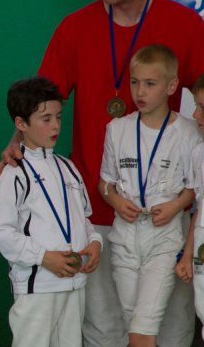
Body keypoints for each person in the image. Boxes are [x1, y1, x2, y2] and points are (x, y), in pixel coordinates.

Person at [0, 0, 204, 346]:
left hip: (166, 211)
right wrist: (15, 142)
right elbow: (42, 97)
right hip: (95, 206)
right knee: (103, 326)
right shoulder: (74, 27)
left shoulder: (185, 24)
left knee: (171, 327)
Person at [0, 76, 102, 347]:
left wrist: (95, 242)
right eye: (46, 119)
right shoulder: (13, 174)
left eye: (59, 117)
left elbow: (84, 219)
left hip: (74, 283)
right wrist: (43, 257)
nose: (55, 126)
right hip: (37, 287)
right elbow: (0, 232)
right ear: (21, 124)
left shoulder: (68, 167)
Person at [99, 44, 200, 347]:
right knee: (133, 321)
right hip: (125, 237)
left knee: (144, 325)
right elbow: (105, 183)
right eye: (135, 82)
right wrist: (116, 201)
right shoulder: (117, 128)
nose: (140, 91)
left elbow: (196, 186)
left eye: (150, 83)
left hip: (165, 236)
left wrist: (176, 205)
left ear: (171, 85)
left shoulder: (188, 131)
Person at [176, 74, 204, 342]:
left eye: (203, 107)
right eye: (196, 105)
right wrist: (187, 255)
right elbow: (200, 208)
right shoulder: (199, 154)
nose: (195, 115)